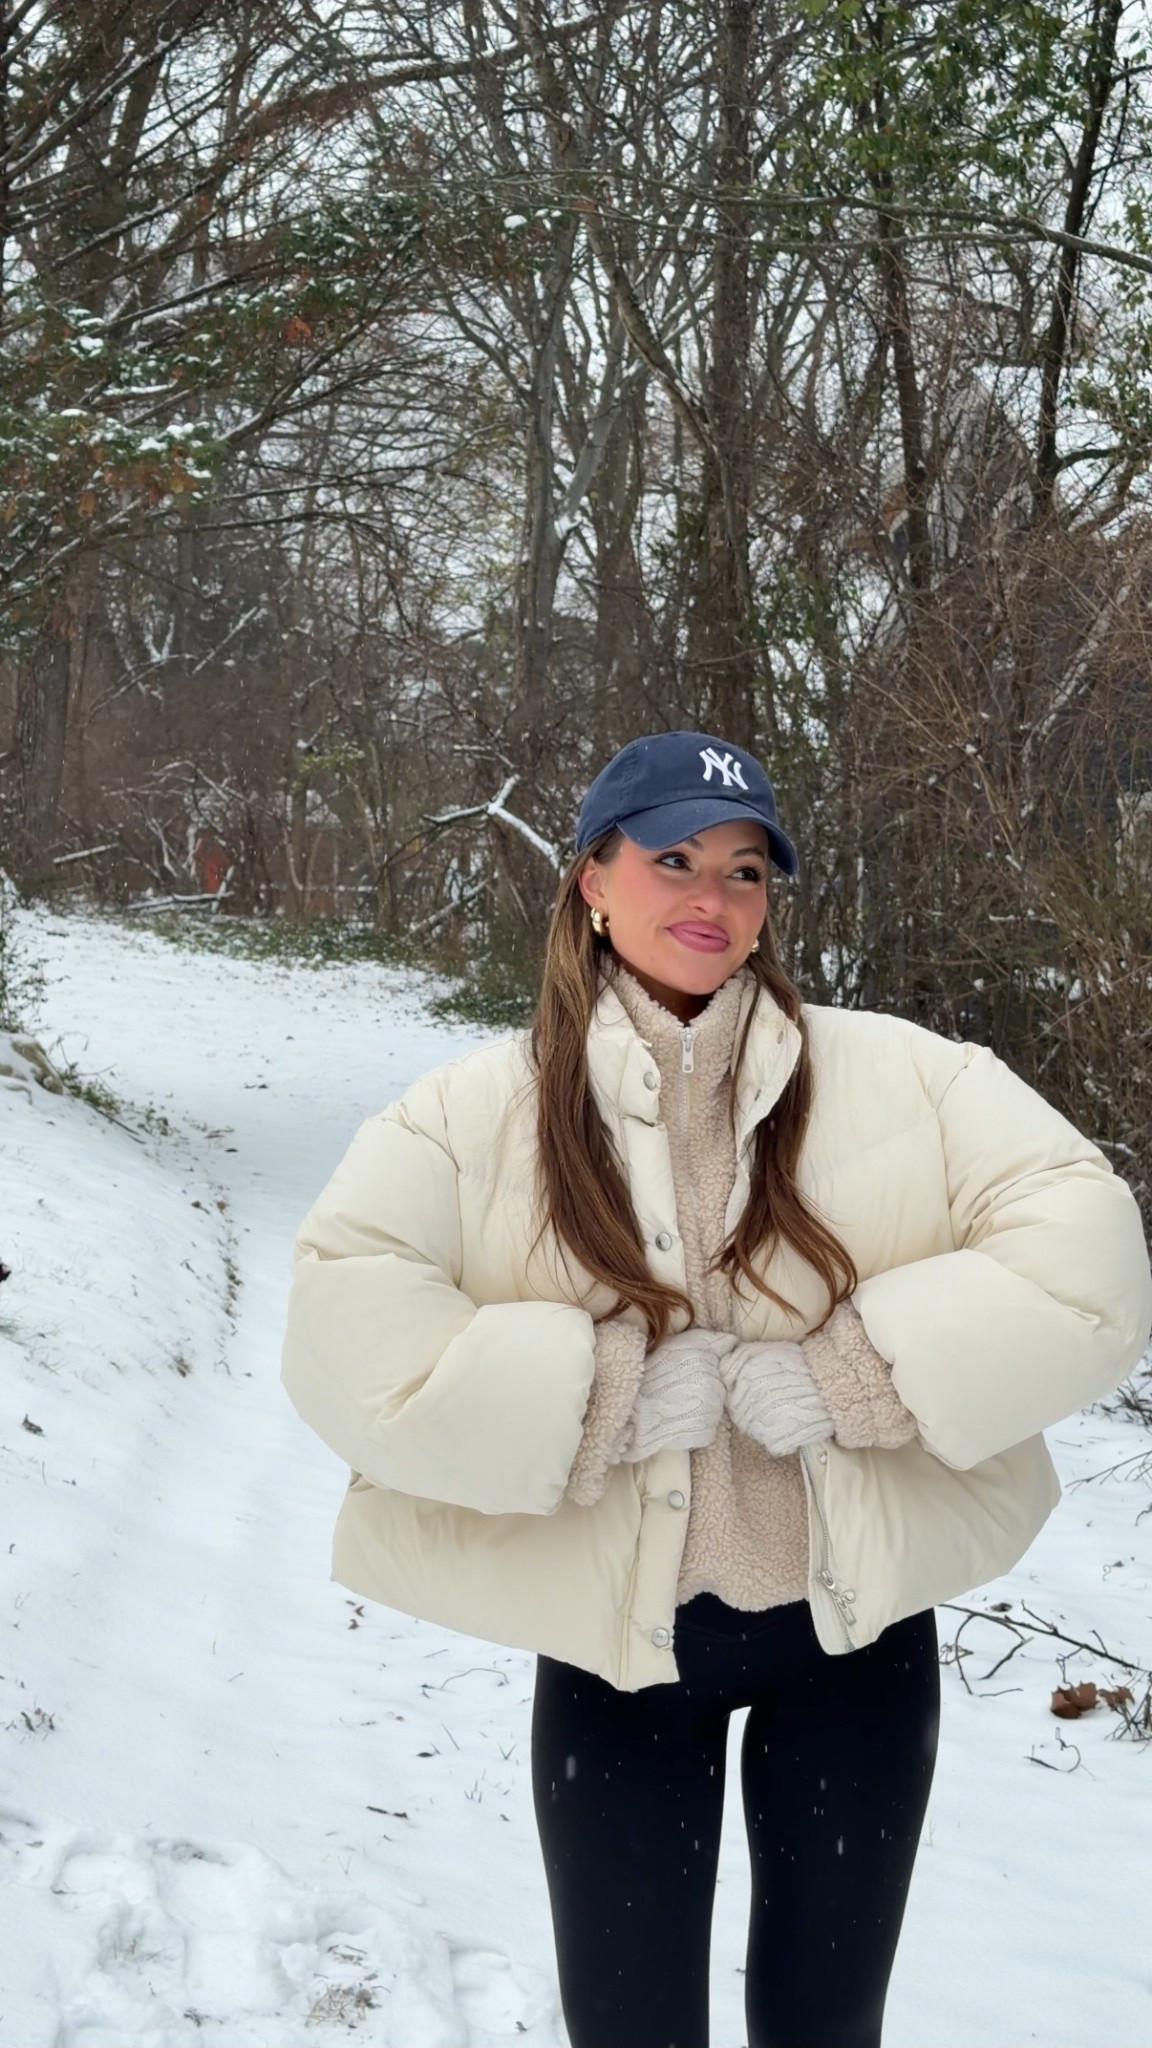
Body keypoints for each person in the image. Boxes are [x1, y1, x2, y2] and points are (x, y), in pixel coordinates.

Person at [280, 729, 1152, 2048]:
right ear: (592, 877)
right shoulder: (474, 1112)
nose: (712, 898)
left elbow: (1087, 1250)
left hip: (853, 1651)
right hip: (618, 1663)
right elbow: (342, 1323)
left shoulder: (905, 1073)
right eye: (674, 858)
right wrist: (600, 1400)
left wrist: (862, 1376)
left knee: (825, 2028)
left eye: (746, 870)